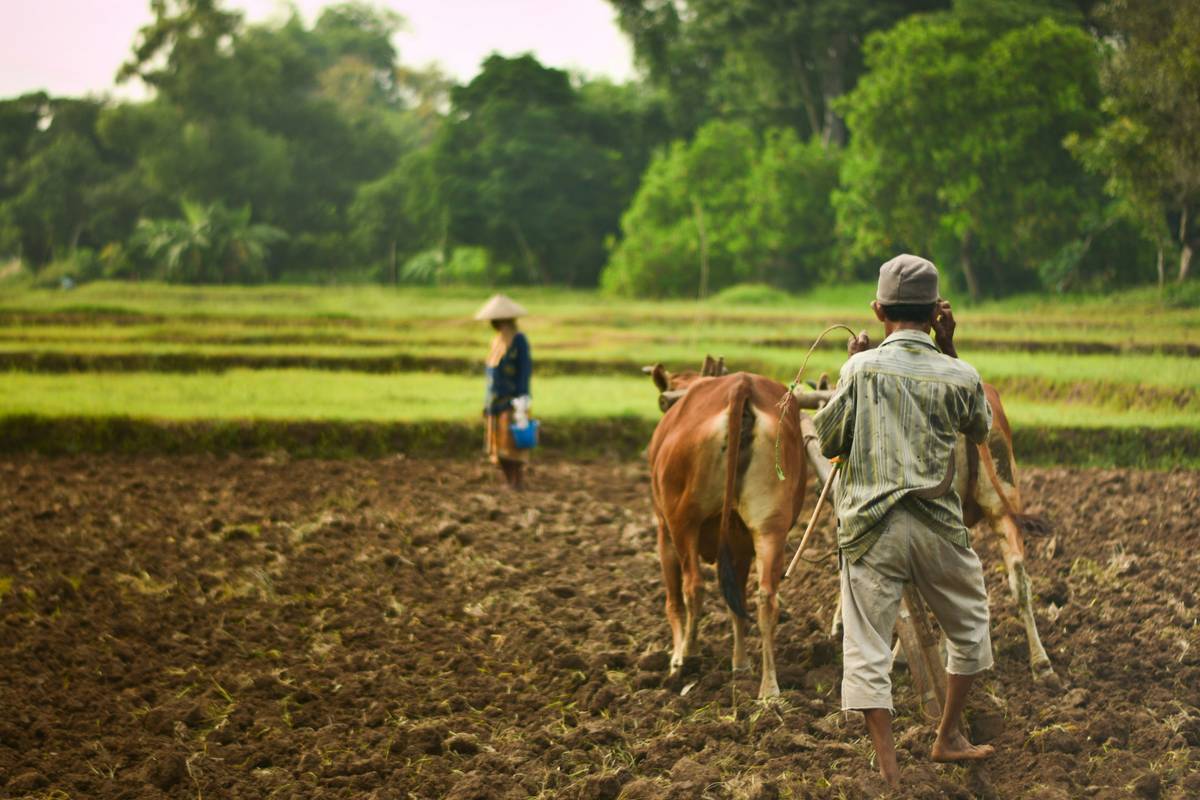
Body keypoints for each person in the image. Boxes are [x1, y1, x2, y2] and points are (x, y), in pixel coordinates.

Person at [812, 254, 995, 789]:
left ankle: (891, 775)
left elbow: (828, 439)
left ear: (878, 309)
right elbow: (979, 428)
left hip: (871, 530)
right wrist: (950, 348)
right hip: (939, 527)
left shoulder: (860, 369)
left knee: (867, 646)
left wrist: (854, 364)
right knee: (970, 627)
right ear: (938, 313)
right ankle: (948, 734)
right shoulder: (959, 372)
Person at [475, 294, 533, 490]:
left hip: (513, 402)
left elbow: (524, 372)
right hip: (495, 402)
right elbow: (491, 377)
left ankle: (517, 482)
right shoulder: (496, 342)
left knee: (513, 448)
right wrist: (486, 402)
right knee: (497, 450)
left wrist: (523, 400)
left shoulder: (519, 342)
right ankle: (509, 482)